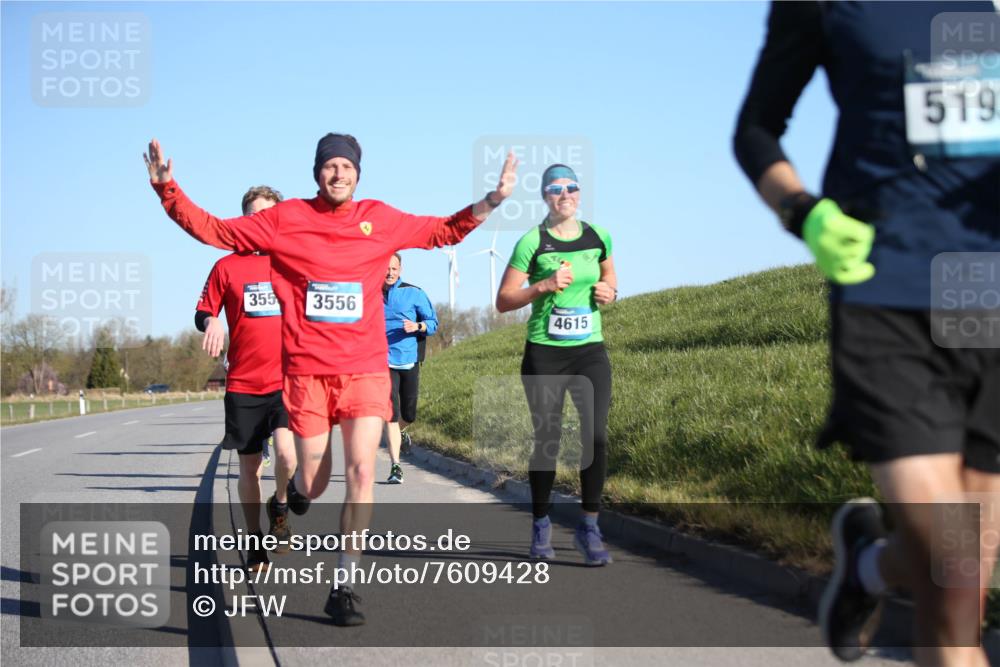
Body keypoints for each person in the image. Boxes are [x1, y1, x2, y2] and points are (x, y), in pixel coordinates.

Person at [146, 133, 517, 625]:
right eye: (330, 166)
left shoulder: (379, 218)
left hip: (365, 369)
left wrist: (492, 200)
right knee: (315, 482)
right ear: (316, 172)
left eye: (347, 166)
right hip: (307, 374)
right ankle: (298, 490)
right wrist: (168, 189)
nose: (338, 173)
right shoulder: (286, 219)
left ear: (358, 174)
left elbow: (443, 231)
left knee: (361, 472)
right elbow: (214, 230)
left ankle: (344, 586)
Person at [733, 2, 1000, 664]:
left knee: (960, 563)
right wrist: (804, 213)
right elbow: (756, 128)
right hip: (888, 294)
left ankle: (869, 565)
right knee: (952, 571)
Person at [496, 164, 617, 566]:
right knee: (547, 439)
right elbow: (504, 300)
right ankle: (541, 522)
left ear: (579, 193)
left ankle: (589, 526)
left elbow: (610, 278)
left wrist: (610, 292)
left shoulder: (598, 236)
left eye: (571, 187)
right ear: (545, 196)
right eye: (555, 188)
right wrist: (543, 286)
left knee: (595, 436)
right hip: (545, 353)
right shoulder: (532, 242)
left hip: (589, 350)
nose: (565, 194)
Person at [194, 185, 309, 573]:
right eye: (253, 216)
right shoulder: (226, 266)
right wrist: (211, 322)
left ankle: (280, 506)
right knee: (249, 469)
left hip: (287, 380)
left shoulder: (293, 262)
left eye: (268, 216)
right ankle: (254, 538)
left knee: (287, 455)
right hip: (244, 383)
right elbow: (204, 310)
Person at [382, 252, 437, 484]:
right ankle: (396, 466)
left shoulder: (415, 293)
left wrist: (418, 326)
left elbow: (433, 323)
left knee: (409, 415)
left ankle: (402, 431)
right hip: (382, 361)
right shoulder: (369, 293)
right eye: (386, 268)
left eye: (394, 269)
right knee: (391, 414)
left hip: (409, 359)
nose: (389, 273)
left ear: (400, 270)